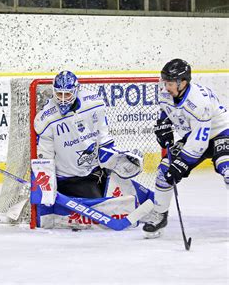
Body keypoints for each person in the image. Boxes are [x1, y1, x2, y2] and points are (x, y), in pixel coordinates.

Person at [143, 59, 229, 238]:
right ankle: (159, 214)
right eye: (164, 81)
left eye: (170, 83)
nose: (165, 86)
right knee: (164, 170)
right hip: (195, 135)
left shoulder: (199, 102)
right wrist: (163, 124)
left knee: (227, 167)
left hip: (221, 131)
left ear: (183, 82)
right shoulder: (166, 92)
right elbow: (166, 111)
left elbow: (200, 142)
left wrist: (181, 164)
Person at [33, 70, 143, 199]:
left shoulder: (93, 103)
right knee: (101, 207)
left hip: (96, 172)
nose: (62, 99)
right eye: (59, 94)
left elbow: (103, 137)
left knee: (131, 197)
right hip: (69, 179)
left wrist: (116, 158)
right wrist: (47, 190)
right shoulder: (46, 118)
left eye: (67, 94)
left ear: (76, 90)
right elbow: (45, 157)